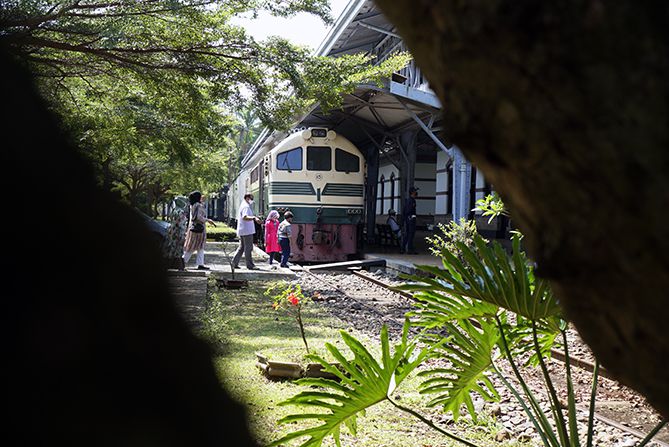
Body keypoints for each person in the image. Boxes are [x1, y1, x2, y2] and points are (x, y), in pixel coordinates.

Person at [183, 191, 217, 269]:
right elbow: (198, 217)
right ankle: (183, 262)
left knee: (199, 247)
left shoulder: (192, 205)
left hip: (193, 228)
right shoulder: (199, 206)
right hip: (198, 229)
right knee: (192, 246)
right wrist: (207, 220)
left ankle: (200, 264)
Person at [232, 193, 261, 270]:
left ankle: (234, 263)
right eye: (251, 198)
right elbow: (245, 217)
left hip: (243, 230)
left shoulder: (243, 205)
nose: (252, 200)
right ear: (247, 198)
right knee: (248, 248)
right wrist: (254, 218)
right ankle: (250, 265)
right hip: (247, 231)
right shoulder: (246, 206)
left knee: (242, 247)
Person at [161, 196, 189, 270]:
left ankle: (169, 265)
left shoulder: (174, 210)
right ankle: (180, 267)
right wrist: (184, 233)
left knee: (171, 248)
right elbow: (181, 224)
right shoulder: (181, 212)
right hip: (179, 232)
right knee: (178, 249)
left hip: (172, 231)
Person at [402, 186, 419, 254]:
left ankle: (404, 248)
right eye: (415, 191)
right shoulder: (411, 201)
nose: (416, 193)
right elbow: (408, 211)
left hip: (409, 219)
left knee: (408, 234)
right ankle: (409, 249)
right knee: (410, 234)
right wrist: (411, 217)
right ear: (412, 192)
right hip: (410, 219)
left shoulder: (409, 200)